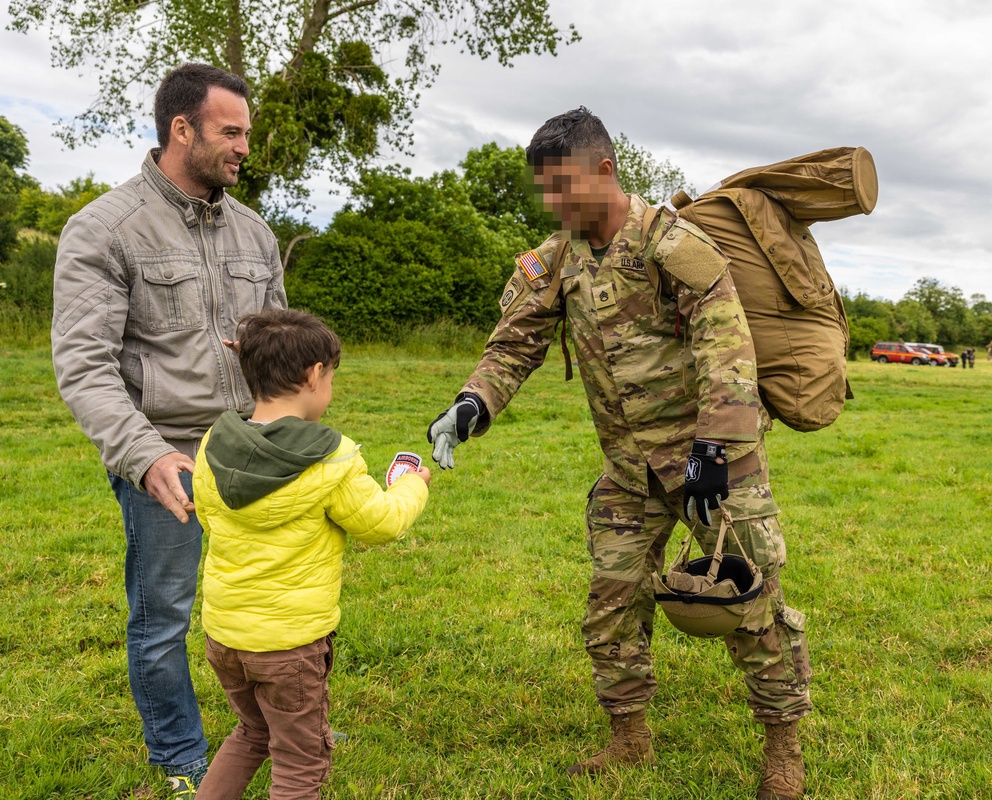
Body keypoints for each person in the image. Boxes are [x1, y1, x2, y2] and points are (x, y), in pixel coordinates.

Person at [426, 108, 811, 799]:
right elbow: (514, 344)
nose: (552, 204)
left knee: (753, 604)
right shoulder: (559, 260)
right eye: (542, 191)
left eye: (563, 187)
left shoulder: (672, 243)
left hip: (713, 464)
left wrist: (712, 451)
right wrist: (472, 402)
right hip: (629, 473)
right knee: (612, 605)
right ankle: (629, 736)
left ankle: (783, 745)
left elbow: (727, 347)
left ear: (604, 170)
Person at [51, 63, 286, 796]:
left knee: (275, 598)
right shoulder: (103, 229)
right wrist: (143, 455)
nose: (246, 146)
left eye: (247, 132)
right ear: (181, 129)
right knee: (164, 617)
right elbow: (84, 366)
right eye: (232, 132)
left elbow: (281, 346)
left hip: (256, 448)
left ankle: (282, 722)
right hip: (166, 455)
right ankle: (181, 753)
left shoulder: (256, 232)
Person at [192, 309, 430, 799]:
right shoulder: (333, 457)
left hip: (225, 637)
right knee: (301, 766)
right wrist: (412, 486)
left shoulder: (215, 441)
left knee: (252, 733)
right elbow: (380, 523)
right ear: (314, 374)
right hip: (289, 647)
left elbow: (209, 519)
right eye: (332, 377)